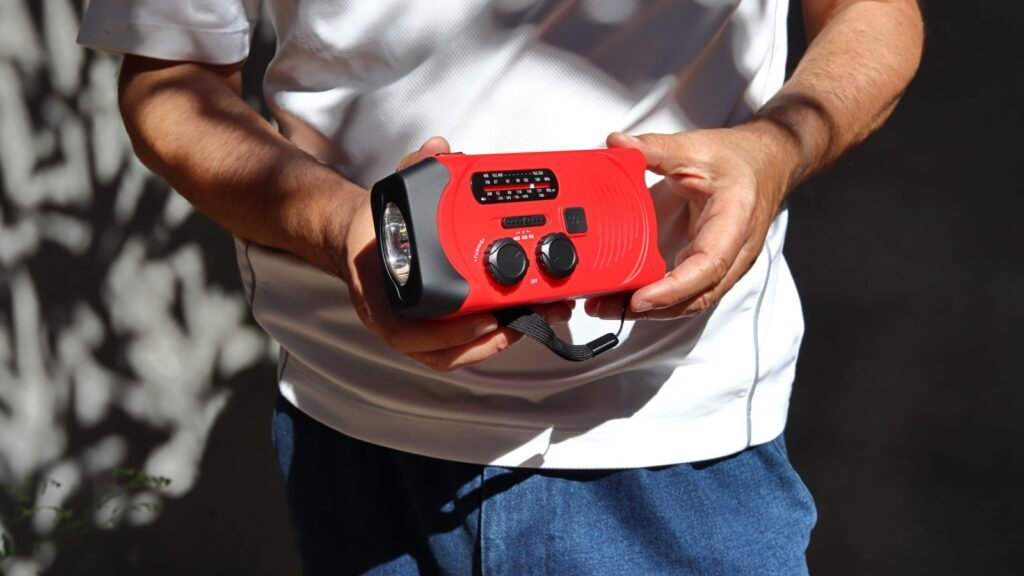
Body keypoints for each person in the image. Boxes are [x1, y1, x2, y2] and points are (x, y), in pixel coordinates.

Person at [79, 0, 922, 573]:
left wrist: (779, 148)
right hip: (361, 433)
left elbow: (876, 12)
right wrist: (340, 229)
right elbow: (169, 78)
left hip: (675, 441)